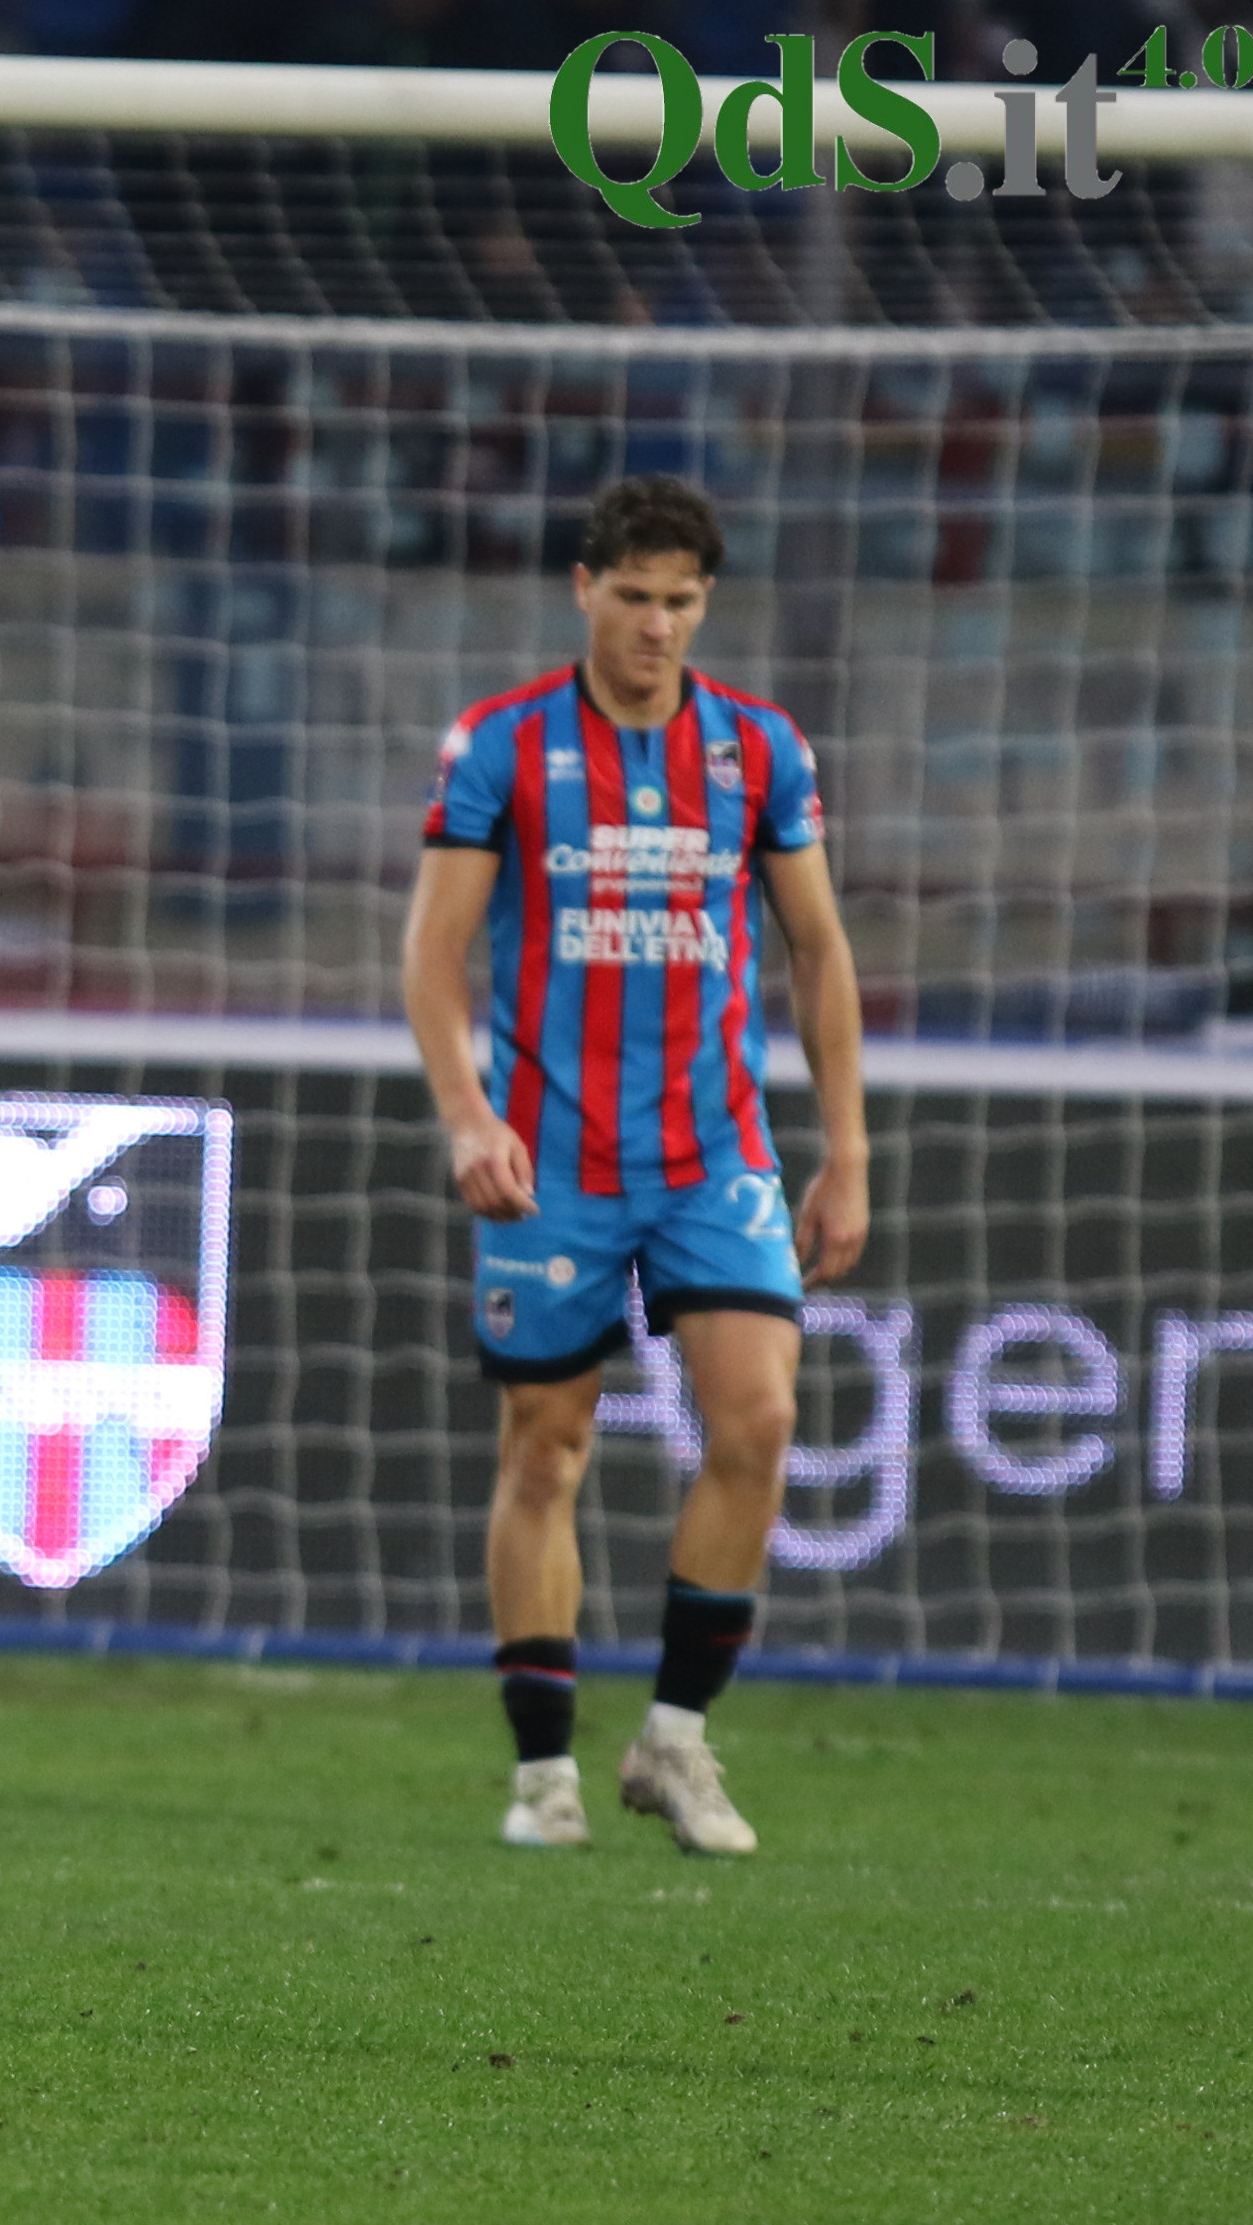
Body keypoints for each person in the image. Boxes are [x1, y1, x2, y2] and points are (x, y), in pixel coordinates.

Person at [400, 475, 869, 1857]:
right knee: (545, 1448)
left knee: (760, 1422)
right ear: (581, 590)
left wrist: (844, 1150)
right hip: (546, 1159)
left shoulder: (758, 752)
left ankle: (673, 1738)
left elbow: (819, 950)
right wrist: (466, 1115)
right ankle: (542, 1767)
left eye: (680, 602)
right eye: (633, 597)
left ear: (701, 605)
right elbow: (433, 953)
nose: (656, 626)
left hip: (710, 1151)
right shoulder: (500, 747)